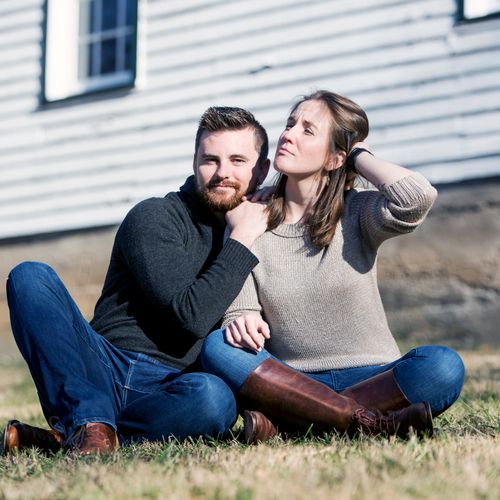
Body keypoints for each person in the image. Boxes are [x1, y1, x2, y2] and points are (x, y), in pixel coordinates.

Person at [1, 106, 271, 455]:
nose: (223, 173)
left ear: (261, 170)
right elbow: (190, 316)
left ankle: (83, 434)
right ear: (194, 162)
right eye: (210, 160)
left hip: (171, 387)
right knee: (30, 276)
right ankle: (89, 419)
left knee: (214, 399)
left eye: (237, 160)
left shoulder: (267, 232)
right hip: (102, 367)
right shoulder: (155, 216)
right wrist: (241, 239)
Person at [200, 90, 465, 443]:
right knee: (219, 346)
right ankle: (367, 421)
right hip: (291, 382)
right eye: (290, 124)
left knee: (443, 366)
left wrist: (356, 154)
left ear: (335, 157)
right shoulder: (250, 217)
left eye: (307, 131)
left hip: (375, 376)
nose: (288, 135)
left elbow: (416, 197)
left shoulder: (357, 213)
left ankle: (291, 424)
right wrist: (240, 319)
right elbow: (239, 309)